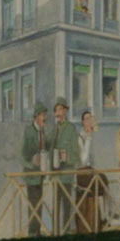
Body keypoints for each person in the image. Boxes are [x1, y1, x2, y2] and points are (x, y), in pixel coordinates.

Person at [49, 97, 80, 233]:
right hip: (56, 176)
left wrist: (67, 157)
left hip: (67, 176)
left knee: (66, 207)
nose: (58, 113)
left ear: (66, 111)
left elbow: (76, 155)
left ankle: (66, 232)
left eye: (60, 109)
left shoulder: (71, 128)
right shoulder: (54, 130)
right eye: (56, 110)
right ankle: (56, 234)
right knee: (55, 206)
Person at [21, 102, 50, 235]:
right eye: (43, 115)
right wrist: (31, 163)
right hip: (31, 175)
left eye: (45, 115)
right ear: (37, 116)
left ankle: (36, 232)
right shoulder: (29, 131)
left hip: (40, 175)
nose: (45, 118)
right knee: (33, 205)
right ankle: (33, 233)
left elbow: (45, 148)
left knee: (39, 204)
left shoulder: (42, 131)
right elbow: (22, 155)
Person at [76, 111, 102, 232]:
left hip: (91, 173)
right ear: (82, 122)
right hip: (82, 173)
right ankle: (98, 220)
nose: (89, 121)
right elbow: (83, 160)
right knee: (101, 184)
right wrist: (89, 138)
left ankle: (102, 218)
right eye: (86, 119)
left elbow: (95, 158)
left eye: (90, 119)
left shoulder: (93, 136)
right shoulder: (80, 137)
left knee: (104, 182)